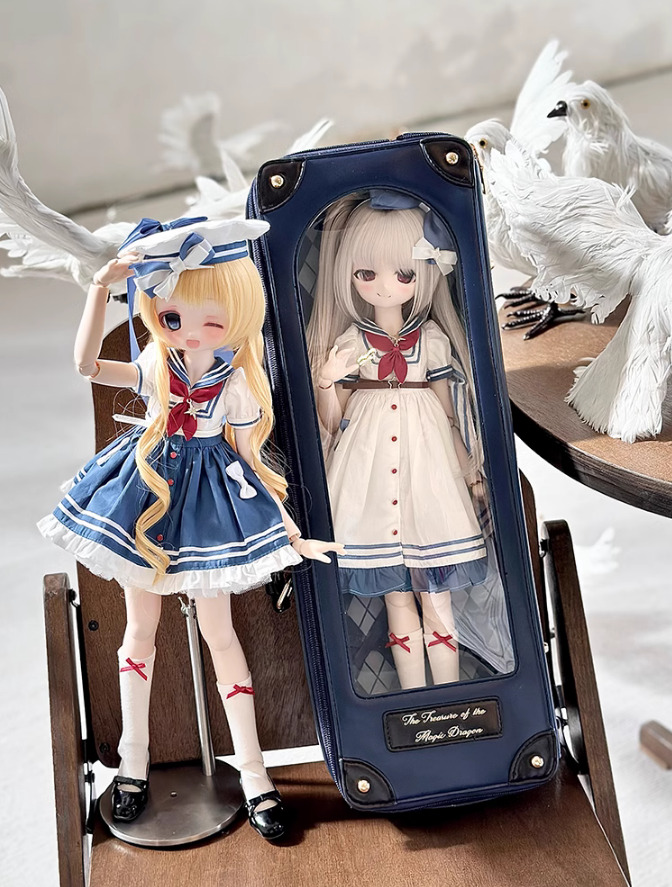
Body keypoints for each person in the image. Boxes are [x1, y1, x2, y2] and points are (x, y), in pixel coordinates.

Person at [39, 216, 341, 841]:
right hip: (145, 490)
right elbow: (87, 365)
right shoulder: (156, 361)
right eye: (174, 317)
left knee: (220, 634)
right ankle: (132, 765)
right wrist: (99, 288)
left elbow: (252, 459)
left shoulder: (237, 381)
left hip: (207, 504)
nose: (190, 332)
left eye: (212, 321)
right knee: (138, 632)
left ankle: (255, 776)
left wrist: (290, 534)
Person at [306, 192, 488, 690]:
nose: (384, 286)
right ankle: (411, 697)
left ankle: (448, 694)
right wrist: (325, 382)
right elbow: (333, 422)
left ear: (423, 276)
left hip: (428, 466)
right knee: (397, 598)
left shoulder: (432, 341)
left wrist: (470, 471)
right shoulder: (349, 344)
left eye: (403, 274)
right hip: (365, 463)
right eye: (367, 273)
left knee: (436, 594)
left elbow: (449, 413)